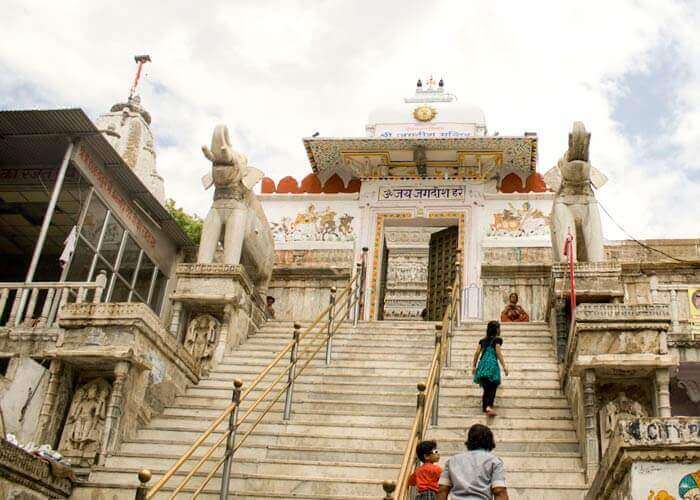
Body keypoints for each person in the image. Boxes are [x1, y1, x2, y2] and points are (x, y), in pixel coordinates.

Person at [437, 424, 508, 500]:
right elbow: (499, 491)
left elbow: (442, 490)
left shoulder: (452, 461)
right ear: (490, 441)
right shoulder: (494, 461)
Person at [471, 320, 508, 417]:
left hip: (482, 366)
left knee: (486, 387)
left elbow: (477, 353)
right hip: (492, 366)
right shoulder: (497, 340)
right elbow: (499, 353)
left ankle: (486, 407)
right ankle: (488, 407)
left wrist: (474, 366)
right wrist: (504, 366)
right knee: (493, 386)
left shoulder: (482, 341)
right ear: (496, 330)